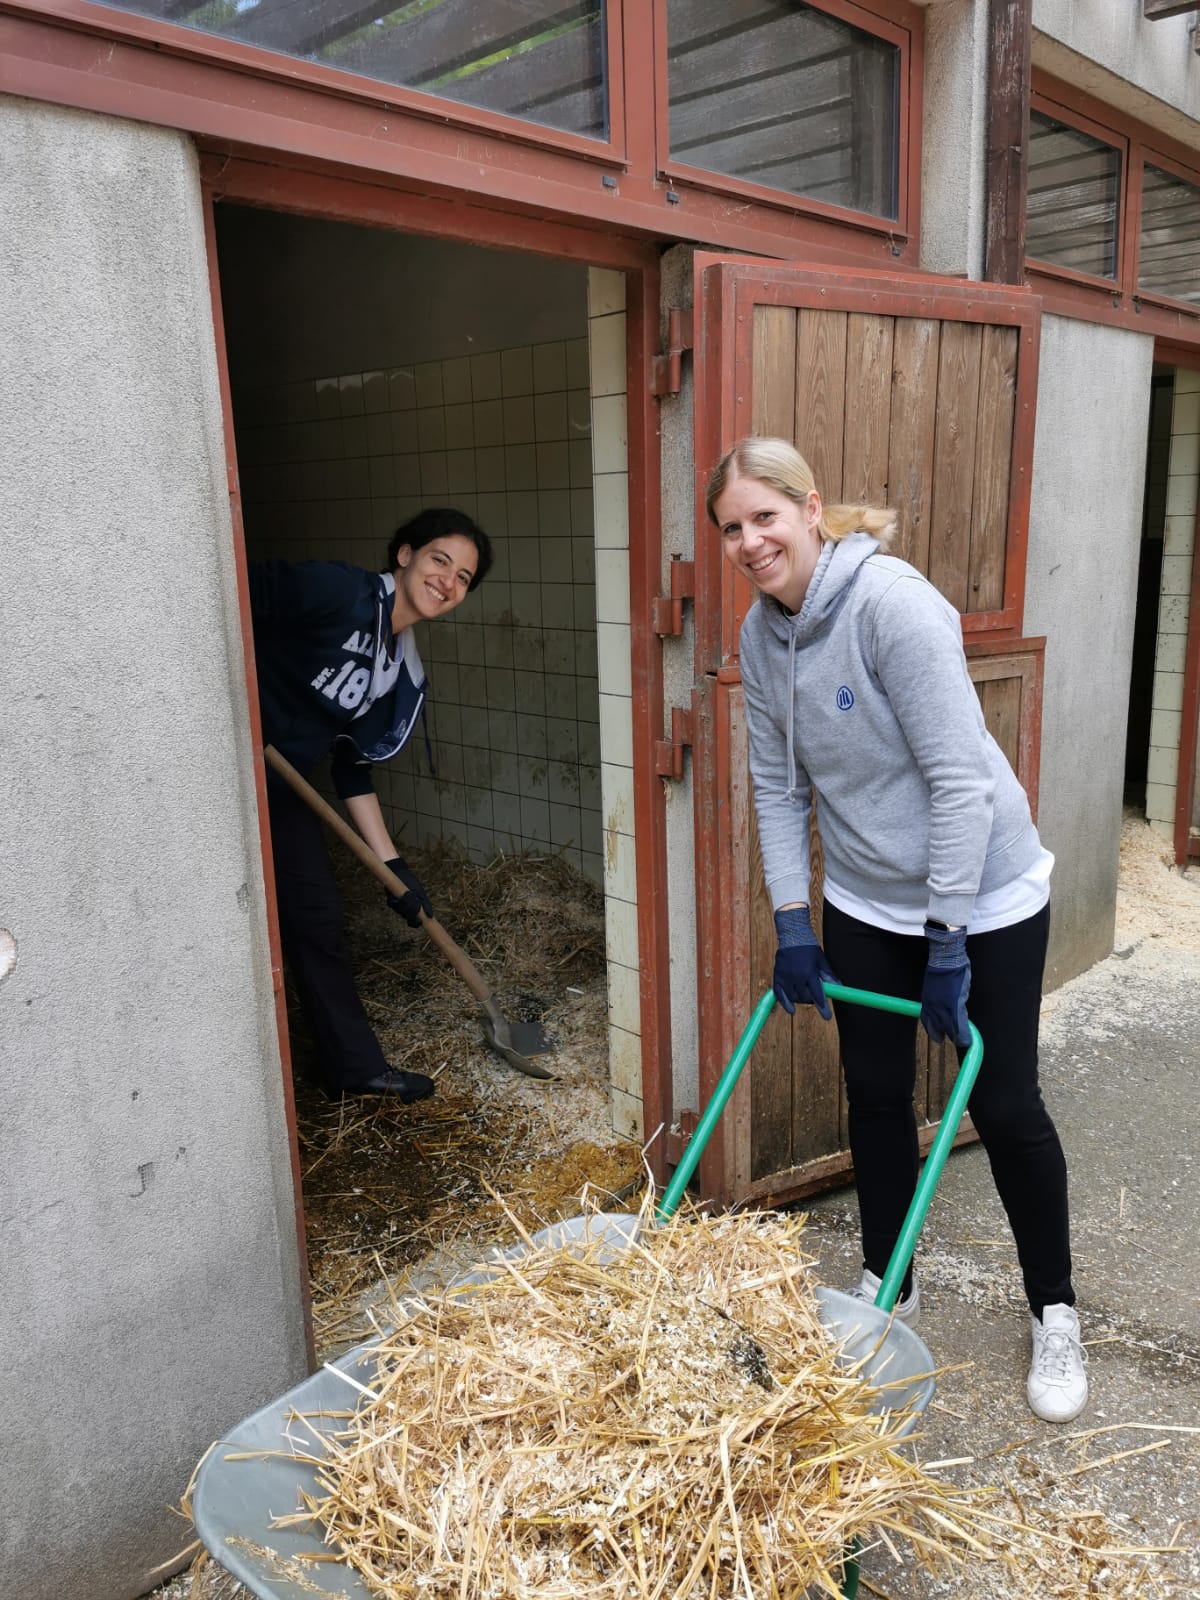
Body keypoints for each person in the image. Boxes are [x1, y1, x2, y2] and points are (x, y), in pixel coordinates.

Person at [707, 436, 1087, 1425]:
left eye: (764, 517)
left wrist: (952, 939)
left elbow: (960, 780)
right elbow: (778, 783)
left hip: (986, 893)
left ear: (810, 508)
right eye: (732, 529)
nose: (750, 542)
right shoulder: (760, 634)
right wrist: (794, 919)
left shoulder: (892, 606)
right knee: (874, 1097)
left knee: (1003, 1105)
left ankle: (1054, 1308)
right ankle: (890, 1284)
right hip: (870, 897)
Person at [249, 507, 492, 1103]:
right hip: (216, 764)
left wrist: (393, 871)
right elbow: (234, 597)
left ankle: (353, 1068)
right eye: (441, 560)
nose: (448, 580)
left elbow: (350, 764)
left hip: (279, 784)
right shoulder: (339, 591)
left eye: (463, 577)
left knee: (317, 916)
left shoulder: (397, 664)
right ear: (405, 555)